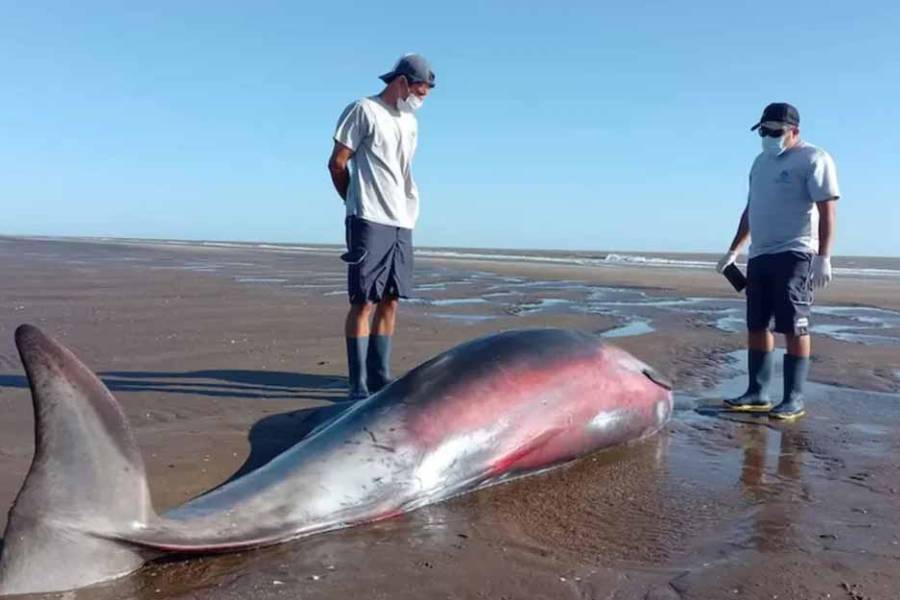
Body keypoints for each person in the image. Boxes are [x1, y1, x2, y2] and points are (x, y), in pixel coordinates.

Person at [716, 102, 839, 420]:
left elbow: (827, 209)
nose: (769, 136)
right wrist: (734, 250)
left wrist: (823, 256)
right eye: (764, 131)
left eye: (775, 131)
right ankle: (757, 392)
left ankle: (793, 398)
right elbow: (751, 209)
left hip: (795, 252)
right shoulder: (760, 162)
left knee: (793, 325)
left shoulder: (814, 158)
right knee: (757, 323)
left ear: (794, 131)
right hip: (760, 253)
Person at [327, 54, 435, 400]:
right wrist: (353, 203)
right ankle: (357, 384)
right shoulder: (363, 110)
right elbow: (337, 163)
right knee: (364, 301)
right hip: (369, 217)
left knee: (391, 300)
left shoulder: (410, 122)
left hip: (402, 220)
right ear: (401, 82)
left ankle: (380, 376)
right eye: (420, 90)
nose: (422, 98)